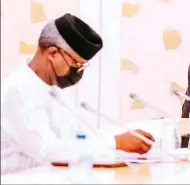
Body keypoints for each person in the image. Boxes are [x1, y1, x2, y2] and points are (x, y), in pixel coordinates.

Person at [1, 13, 155, 175]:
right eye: (75, 63)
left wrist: (127, 135)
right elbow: (47, 151)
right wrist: (115, 142)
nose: (77, 72)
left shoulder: (53, 90)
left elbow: (79, 137)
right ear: (53, 53)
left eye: (82, 66)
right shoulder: (19, 89)